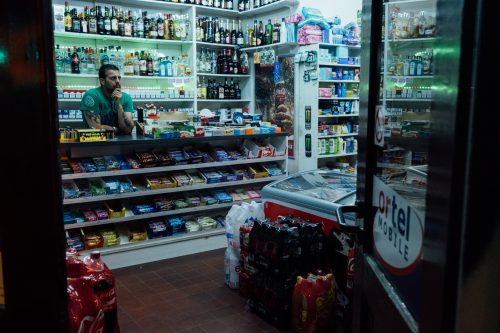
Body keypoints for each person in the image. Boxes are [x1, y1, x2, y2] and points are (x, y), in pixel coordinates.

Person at [80, 64, 135, 135]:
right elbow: (96, 128)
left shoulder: (126, 98)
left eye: (119, 78)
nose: (118, 81)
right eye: (113, 78)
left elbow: (127, 130)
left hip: (120, 142)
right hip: (95, 142)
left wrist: (119, 105)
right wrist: (116, 129)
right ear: (102, 81)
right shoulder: (92, 95)